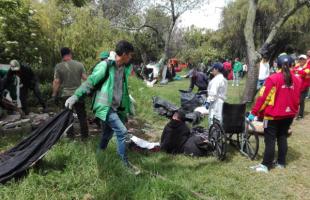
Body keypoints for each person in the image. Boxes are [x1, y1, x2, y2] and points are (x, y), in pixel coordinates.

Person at [64, 41, 139, 174]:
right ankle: (124, 165)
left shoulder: (123, 67)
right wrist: (75, 96)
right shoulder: (105, 66)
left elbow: (122, 89)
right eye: (130, 55)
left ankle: (99, 154)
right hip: (105, 106)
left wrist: (127, 107)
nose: (131, 58)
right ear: (124, 54)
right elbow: (90, 81)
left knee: (107, 134)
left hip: (118, 107)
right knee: (122, 133)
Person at [248, 54, 301, 173]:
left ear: (277, 64)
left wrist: (254, 112)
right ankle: (281, 162)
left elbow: (263, 98)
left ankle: (265, 165)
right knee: (282, 137)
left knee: (270, 139)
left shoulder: (273, 78)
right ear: (292, 64)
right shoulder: (297, 79)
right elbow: (298, 98)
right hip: (289, 115)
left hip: (272, 115)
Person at [52, 47, 89, 139]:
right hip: (78, 94)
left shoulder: (58, 66)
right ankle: (85, 137)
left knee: (68, 116)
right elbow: (86, 79)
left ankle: (70, 137)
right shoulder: (79, 65)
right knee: (82, 116)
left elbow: (56, 81)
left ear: (62, 56)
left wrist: (54, 94)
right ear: (70, 54)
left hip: (66, 95)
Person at [292, 54, 310, 119]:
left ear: (305, 60)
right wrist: (297, 71)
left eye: (303, 59)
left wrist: (297, 71)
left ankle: (300, 115)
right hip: (296, 87)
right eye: (300, 59)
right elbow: (292, 71)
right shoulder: (297, 66)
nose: (301, 60)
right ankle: (295, 113)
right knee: (295, 100)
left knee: (301, 101)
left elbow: (305, 73)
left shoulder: (308, 67)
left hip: (304, 87)